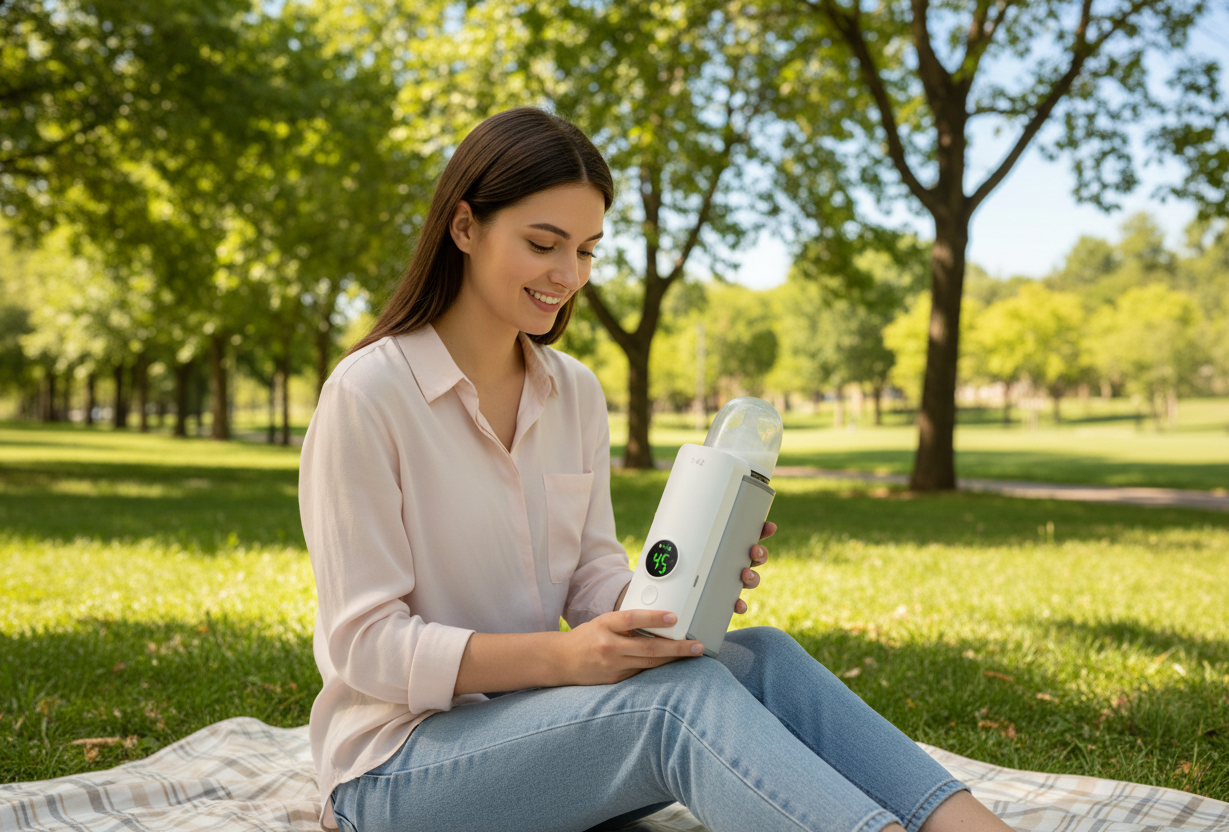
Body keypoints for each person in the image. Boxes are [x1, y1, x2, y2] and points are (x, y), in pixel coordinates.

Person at [299, 107, 1012, 832]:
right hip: (394, 770)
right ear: (464, 228)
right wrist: (566, 658)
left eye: (585, 251)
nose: (566, 275)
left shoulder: (571, 392)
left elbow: (590, 579)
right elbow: (367, 646)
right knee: (677, 705)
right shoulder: (367, 395)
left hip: (540, 727)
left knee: (759, 656)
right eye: (543, 244)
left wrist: (681, 595)